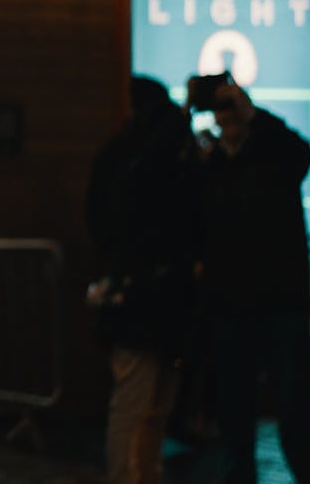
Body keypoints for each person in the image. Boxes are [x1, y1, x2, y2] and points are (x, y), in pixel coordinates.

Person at [190, 75, 310, 484]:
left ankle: (306, 476)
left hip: (280, 303)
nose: (227, 117)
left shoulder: (274, 156)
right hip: (233, 306)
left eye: (232, 109)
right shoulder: (209, 168)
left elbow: (301, 154)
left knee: (294, 404)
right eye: (221, 109)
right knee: (235, 409)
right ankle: (241, 473)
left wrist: (255, 115)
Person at [85, 76, 197, 484]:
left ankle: (134, 475)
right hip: (161, 299)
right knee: (149, 406)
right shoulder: (162, 156)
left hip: (135, 296)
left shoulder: (118, 158)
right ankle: (141, 474)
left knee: (137, 402)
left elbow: (101, 220)